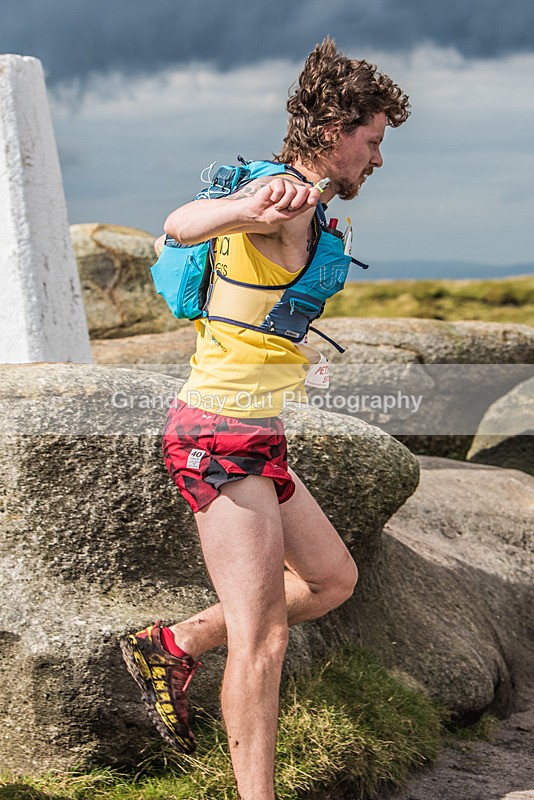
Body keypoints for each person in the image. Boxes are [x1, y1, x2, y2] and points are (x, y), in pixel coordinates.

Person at [120, 36, 410, 800]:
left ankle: (176, 642)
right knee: (265, 639)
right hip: (217, 435)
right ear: (332, 132)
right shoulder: (280, 197)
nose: (377, 159)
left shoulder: (303, 204)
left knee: (331, 578)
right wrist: (244, 209)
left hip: (256, 433)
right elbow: (181, 225)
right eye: (372, 142)